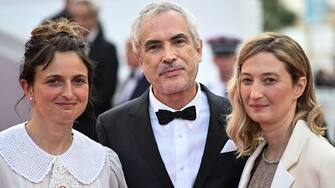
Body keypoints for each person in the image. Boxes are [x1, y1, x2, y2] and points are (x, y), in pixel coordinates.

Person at [96, 2, 246, 188]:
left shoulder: (239, 117)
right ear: (141, 60)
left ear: (198, 49)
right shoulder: (112, 127)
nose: (168, 56)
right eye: (154, 46)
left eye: (178, 42)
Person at [0, 19, 127, 187]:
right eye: (54, 81)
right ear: (27, 87)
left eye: (78, 81)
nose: (68, 93)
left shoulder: (103, 163)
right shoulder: (4, 156)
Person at [226, 32, 335, 188]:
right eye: (247, 80)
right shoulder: (255, 157)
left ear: (299, 86)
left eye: (269, 80)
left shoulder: (325, 161)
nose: (255, 94)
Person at [69, 0, 119, 140]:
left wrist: (76, 102)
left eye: (83, 17)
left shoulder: (108, 49)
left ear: (94, 18)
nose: (78, 23)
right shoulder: (67, 46)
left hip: (94, 123)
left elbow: (107, 91)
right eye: (75, 18)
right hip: (68, 122)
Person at [113, 38, 150, 106]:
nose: (125, 55)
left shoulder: (149, 79)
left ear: (139, 52)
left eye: (129, 50)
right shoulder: (128, 79)